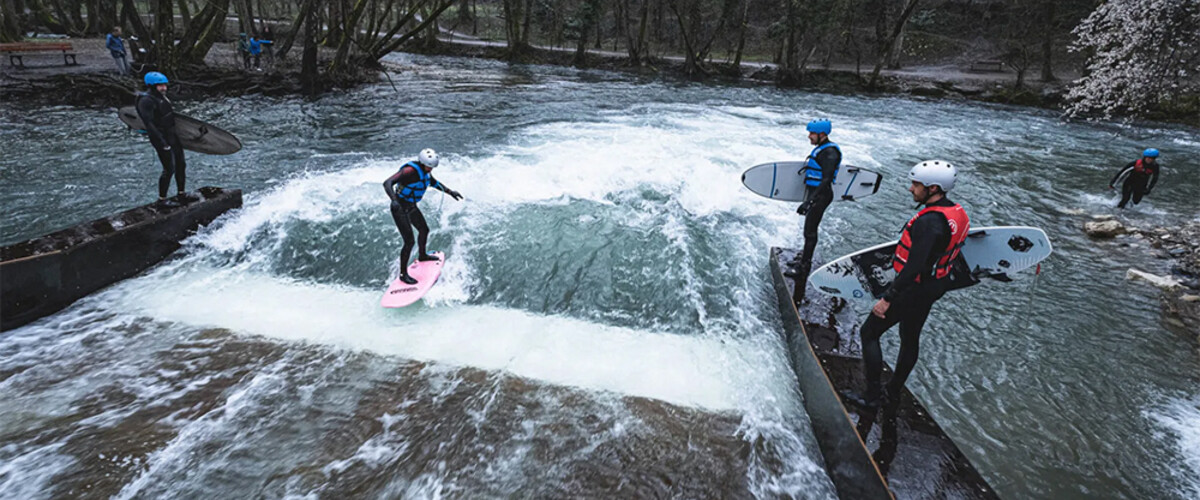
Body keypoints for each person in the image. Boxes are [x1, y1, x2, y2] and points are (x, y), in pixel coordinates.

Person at [842, 160, 970, 412]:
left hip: (913, 289)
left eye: (916, 184)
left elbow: (914, 268)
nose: (910, 189)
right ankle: (893, 391)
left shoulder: (929, 222)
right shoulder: (957, 213)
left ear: (933, 189)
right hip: (935, 286)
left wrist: (888, 297)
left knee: (869, 333)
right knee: (910, 337)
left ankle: (871, 397)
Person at [383, 149, 464, 284]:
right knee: (409, 242)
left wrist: (450, 192)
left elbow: (434, 183)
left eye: (432, 167)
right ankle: (403, 274)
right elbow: (387, 183)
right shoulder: (409, 171)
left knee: (424, 230)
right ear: (422, 163)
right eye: (428, 166)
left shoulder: (425, 172)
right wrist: (393, 200)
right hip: (399, 208)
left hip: (411, 206)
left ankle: (422, 255)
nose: (430, 170)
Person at [785, 119, 842, 288]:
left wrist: (809, 201)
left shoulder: (830, 153)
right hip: (816, 195)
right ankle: (803, 261)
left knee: (810, 233)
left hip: (821, 196)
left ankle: (804, 268)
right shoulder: (822, 149)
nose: (809, 136)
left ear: (822, 134)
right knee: (808, 231)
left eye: (812, 133)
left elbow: (826, 180)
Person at [135, 72, 191, 206]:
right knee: (169, 169)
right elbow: (149, 124)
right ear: (151, 86)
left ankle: (181, 194)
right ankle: (162, 200)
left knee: (181, 165)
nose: (164, 88)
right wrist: (162, 142)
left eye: (164, 85)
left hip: (172, 136)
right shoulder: (146, 100)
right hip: (160, 138)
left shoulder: (162, 97)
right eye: (160, 85)